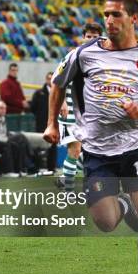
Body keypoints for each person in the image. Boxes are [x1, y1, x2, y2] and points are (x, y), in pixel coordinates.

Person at [44, 0, 138, 274]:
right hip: (98, 153)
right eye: (106, 14)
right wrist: (51, 124)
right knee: (105, 222)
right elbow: (57, 85)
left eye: (116, 14)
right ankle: (123, 204)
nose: (109, 20)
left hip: (136, 146)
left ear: (133, 19)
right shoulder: (83, 53)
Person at [56, 23, 102, 191]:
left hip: (90, 113)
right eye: (88, 36)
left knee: (90, 150)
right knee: (75, 149)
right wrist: (61, 102)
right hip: (69, 109)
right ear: (83, 38)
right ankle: (68, 189)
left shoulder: (101, 60)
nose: (91, 39)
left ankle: (66, 179)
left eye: (94, 37)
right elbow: (59, 81)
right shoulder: (74, 56)